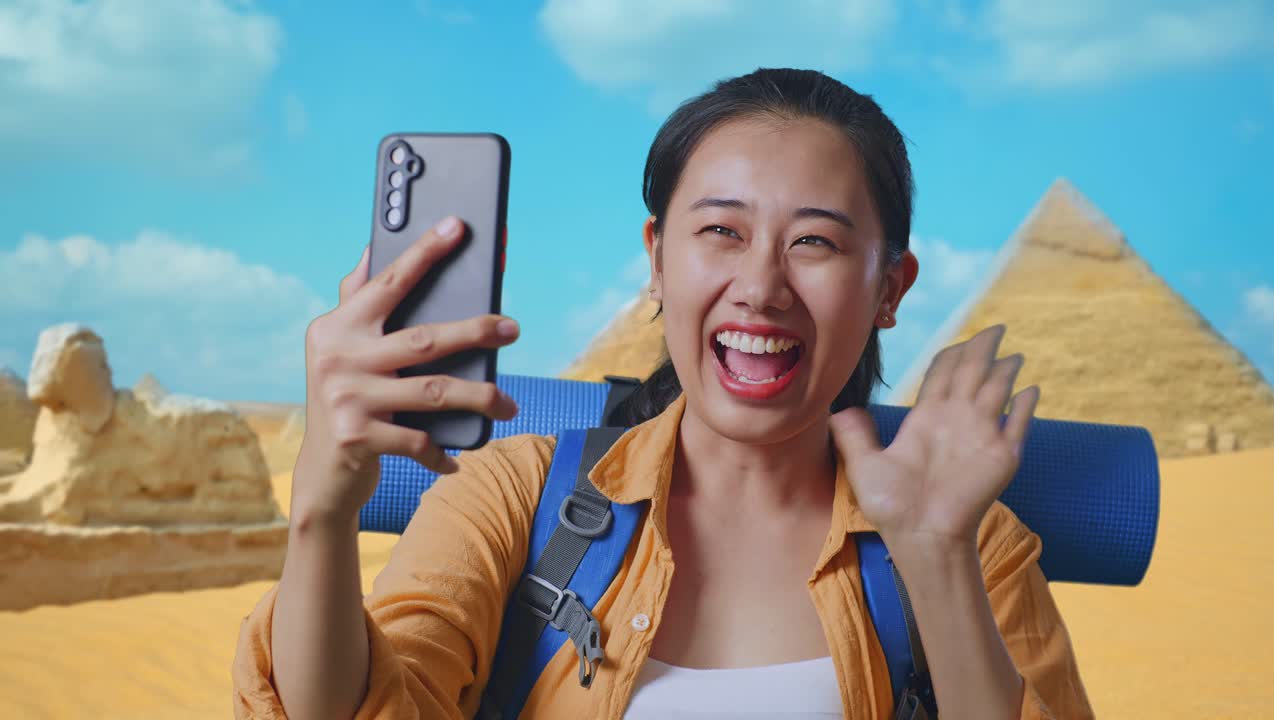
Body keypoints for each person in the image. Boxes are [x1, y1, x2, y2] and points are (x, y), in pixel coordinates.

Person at [233, 68, 1093, 719]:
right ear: (655, 260)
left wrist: (937, 557)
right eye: (721, 230)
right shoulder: (513, 494)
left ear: (890, 291)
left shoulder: (976, 550)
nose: (761, 285)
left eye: (816, 244)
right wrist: (320, 510)